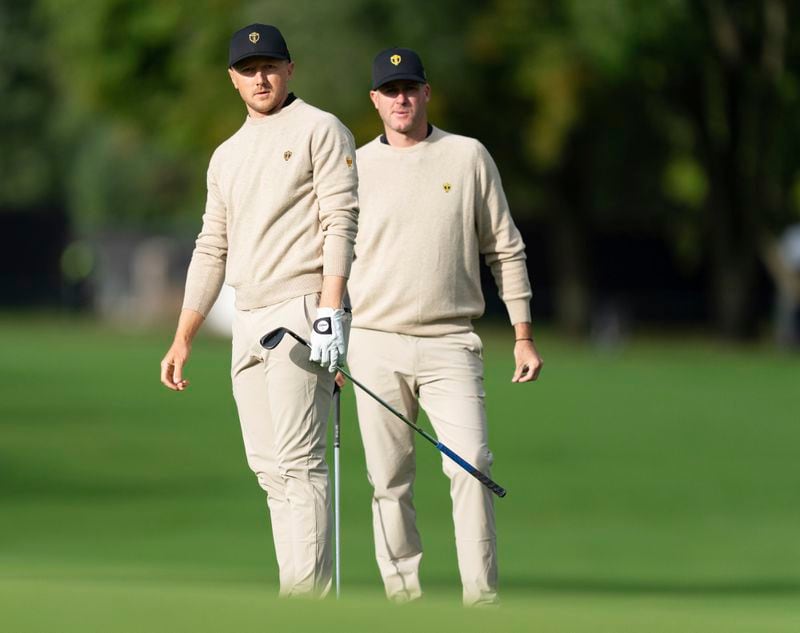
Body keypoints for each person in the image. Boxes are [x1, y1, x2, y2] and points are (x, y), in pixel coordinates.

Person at [159, 23, 358, 597]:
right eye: (248, 70)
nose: (260, 77)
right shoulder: (226, 155)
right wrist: (183, 336)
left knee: (301, 465)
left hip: (300, 311)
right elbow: (211, 246)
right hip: (245, 317)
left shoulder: (322, 129)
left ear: (289, 68)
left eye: (270, 66)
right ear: (233, 80)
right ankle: (294, 597)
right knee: (270, 471)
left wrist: (330, 309)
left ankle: (306, 606)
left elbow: (340, 220)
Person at [346, 47, 543, 606]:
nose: (401, 97)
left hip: (451, 341)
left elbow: (506, 249)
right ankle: (403, 599)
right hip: (373, 344)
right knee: (388, 480)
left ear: (426, 92)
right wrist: (332, 338)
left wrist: (523, 334)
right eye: (390, 90)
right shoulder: (354, 165)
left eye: (410, 87)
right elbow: (331, 258)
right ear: (375, 100)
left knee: (472, 466)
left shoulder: (467, 156)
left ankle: (481, 601)